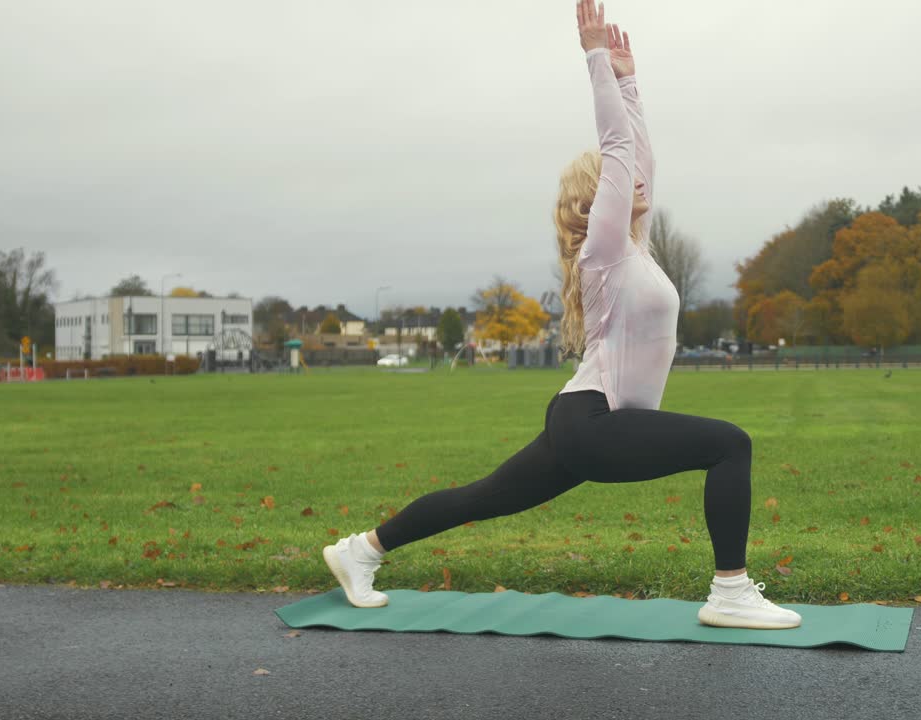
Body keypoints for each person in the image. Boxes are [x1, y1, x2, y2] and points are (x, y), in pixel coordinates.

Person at [323, 0, 801, 630]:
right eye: (619, 175)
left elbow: (639, 156)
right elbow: (618, 145)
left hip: (588, 420)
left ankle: (359, 551)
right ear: (599, 192)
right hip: (592, 422)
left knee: (484, 498)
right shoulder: (600, 252)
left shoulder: (635, 249)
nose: (635, 179)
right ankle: (730, 593)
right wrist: (597, 60)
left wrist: (630, 80)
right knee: (729, 445)